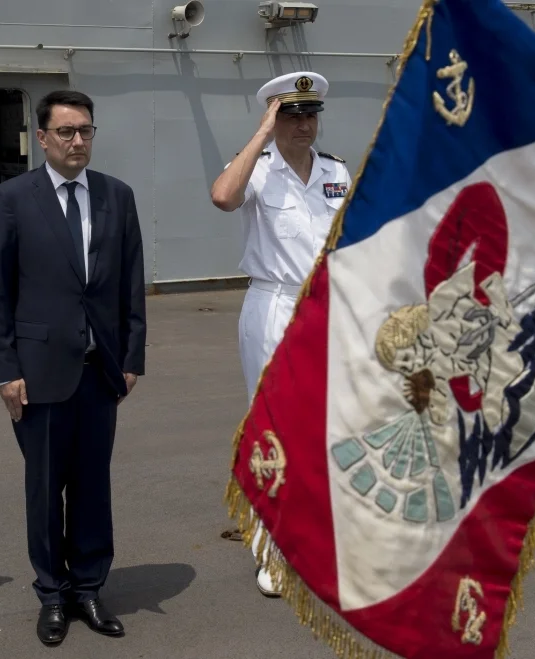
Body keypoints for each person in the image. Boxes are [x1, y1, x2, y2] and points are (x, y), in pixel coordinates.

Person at [0, 89, 147, 646]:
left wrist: (130, 358)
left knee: (93, 486)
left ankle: (90, 589)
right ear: (43, 137)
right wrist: (5, 369)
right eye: (67, 132)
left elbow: (130, 284)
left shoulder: (116, 197)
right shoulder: (11, 198)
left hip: (100, 370)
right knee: (45, 488)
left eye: (87, 131)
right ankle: (52, 595)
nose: (79, 141)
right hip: (37, 370)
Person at [210, 71, 351, 597]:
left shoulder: (337, 171)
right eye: (291, 115)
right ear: (272, 117)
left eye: (310, 115)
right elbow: (223, 197)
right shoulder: (257, 171)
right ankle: (270, 550)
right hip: (275, 307)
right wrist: (261, 134)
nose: (304, 126)